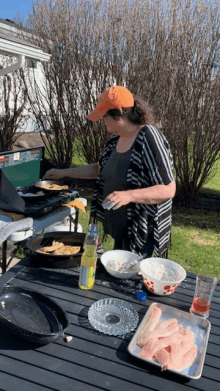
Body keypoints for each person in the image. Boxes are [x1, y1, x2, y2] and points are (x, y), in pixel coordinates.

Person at [43, 85, 176, 257]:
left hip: (142, 231)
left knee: (131, 278)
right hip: (121, 225)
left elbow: (168, 189)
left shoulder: (148, 136)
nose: (102, 121)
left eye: (104, 116)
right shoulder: (114, 139)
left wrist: (128, 195)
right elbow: (99, 169)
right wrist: (63, 173)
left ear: (119, 113)